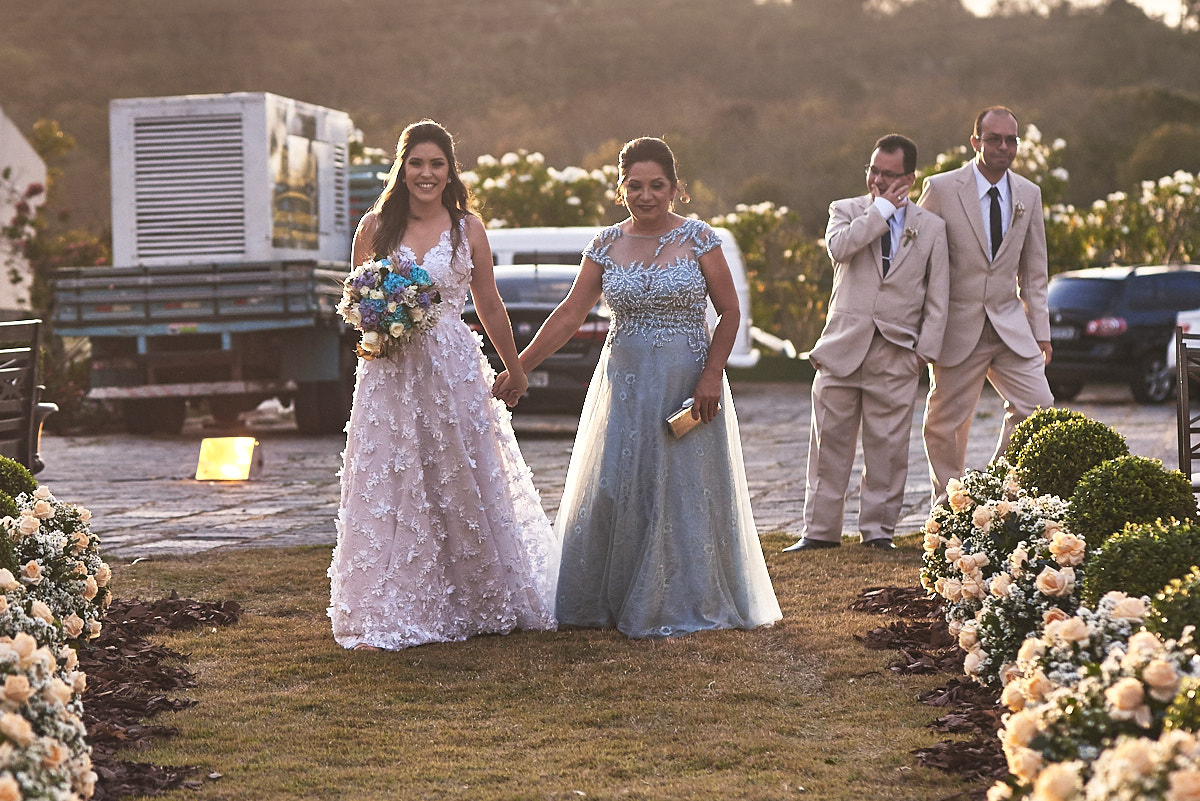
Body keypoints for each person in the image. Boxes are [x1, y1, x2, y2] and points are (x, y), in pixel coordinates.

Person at [496, 137, 781, 638]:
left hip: (688, 382)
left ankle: (683, 599)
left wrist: (712, 373)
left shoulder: (700, 239)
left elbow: (731, 312)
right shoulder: (605, 244)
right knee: (614, 487)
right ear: (620, 187)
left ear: (676, 188)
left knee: (684, 490)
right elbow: (568, 315)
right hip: (624, 384)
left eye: (656, 186)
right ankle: (607, 596)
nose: (645, 195)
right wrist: (519, 367)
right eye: (635, 185)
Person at [328, 120, 559, 651]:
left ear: (450, 170)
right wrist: (383, 320)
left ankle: (476, 596)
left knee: (459, 474)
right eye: (417, 163)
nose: (427, 174)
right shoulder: (374, 227)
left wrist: (515, 368)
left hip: (453, 366)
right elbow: (360, 299)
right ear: (402, 168)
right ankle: (390, 602)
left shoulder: (467, 228)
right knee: (394, 475)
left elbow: (489, 303)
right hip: (391, 369)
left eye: (437, 164)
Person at [784, 134, 949, 553]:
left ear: (909, 178)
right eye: (873, 170)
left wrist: (921, 354)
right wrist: (880, 209)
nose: (878, 180)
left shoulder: (931, 228)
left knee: (888, 450)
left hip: (896, 352)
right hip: (841, 349)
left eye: (889, 174)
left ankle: (879, 533)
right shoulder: (845, 211)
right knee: (828, 448)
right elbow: (840, 249)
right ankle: (819, 532)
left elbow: (939, 296)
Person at [918, 106, 1055, 507]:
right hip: (956, 327)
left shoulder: (1029, 194)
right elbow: (919, 260)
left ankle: (993, 487)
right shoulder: (942, 188)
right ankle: (949, 504)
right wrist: (922, 325)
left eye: (1011, 139)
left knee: (1040, 410)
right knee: (945, 422)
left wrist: (1041, 332)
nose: (1003, 146)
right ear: (975, 141)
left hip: (1010, 326)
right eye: (994, 138)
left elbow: (1035, 271)